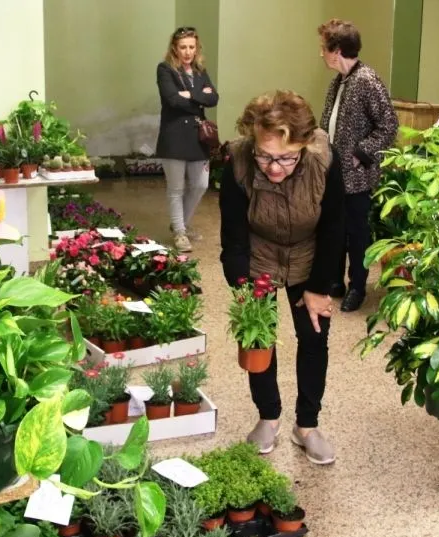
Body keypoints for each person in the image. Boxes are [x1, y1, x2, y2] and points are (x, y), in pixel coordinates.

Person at [219, 90, 346, 465]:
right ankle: (268, 417)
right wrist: (244, 289)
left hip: (308, 256)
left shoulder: (323, 158)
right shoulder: (240, 160)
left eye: (287, 158)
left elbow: (335, 227)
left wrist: (320, 287)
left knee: (313, 336)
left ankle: (306, 426)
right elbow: (233, 234)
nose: (274, 168)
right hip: (258, 254)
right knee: (259, 340)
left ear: (304, 145)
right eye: (266, 156)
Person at [317, 19, 397, 312]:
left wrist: (361, 153)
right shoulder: (338, 81)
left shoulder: (367, 80)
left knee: (357, 235)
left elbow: (388, 125)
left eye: (323, 48)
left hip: (357, 176)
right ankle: (335, 281)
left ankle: (358, 287)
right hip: (334, 173)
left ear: (336, 50)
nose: (321, 54)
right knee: (334, 230)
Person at [155, 26, 219, 253]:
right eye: (183, 47)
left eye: (191, 47)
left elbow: (214, 99)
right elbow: (172, 100)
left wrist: (191, 95)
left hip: (198, 137)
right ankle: (181, 232)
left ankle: (178, 223)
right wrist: (200, 97)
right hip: (174, 137)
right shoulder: (165, 69)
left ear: (196, 48)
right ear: (175, 48)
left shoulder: (200, 71)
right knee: (176, 189)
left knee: (200, 184)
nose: (187, 52)